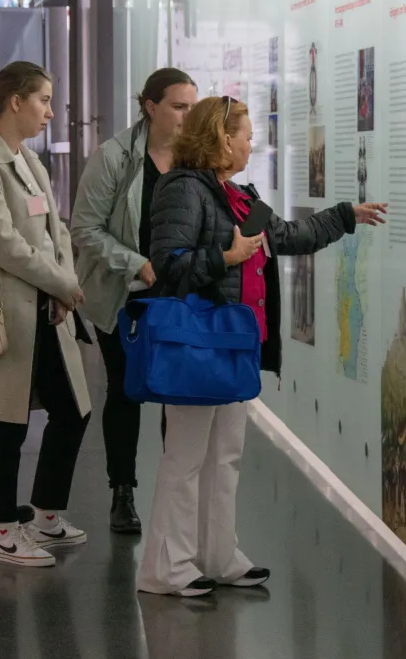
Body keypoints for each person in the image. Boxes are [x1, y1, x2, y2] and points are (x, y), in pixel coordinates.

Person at [137, 96, 386, 597]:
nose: (253, 143)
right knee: (184, 458)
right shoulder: (181, 189)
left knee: (225, 454)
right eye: (246, 134)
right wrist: (225, 256)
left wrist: (345, 216)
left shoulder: (236, 195)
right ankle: (167, 566)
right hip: (198, 342)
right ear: (221, 137)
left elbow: (289, 236)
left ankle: (217, 554)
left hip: (234, 341)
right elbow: (169, 263)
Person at [0, 62, 92, 568]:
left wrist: (63, 283)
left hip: (43, 304)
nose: (51, 112)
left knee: (72, 410)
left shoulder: (26, 159)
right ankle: (6, 530)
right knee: (7, 420)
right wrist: (61, 283)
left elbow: (57, 231)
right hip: (10, 307)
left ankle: (46, 514)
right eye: (44, 100)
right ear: (15, 103)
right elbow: (2, 244)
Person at [69, 67, 198, 534]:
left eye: (191, 107)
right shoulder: (115, 157)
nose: (186, 116)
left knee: (177, 394)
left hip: (177, 293)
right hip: (123, 293)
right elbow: (84, 227)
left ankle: (174, 492)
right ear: (150, 106)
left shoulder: (194, 160)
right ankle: (122, 492)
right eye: (178, 107)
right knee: (125, 390)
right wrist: (135, 262)